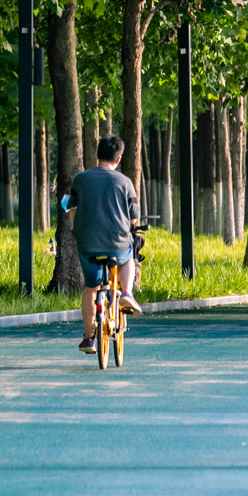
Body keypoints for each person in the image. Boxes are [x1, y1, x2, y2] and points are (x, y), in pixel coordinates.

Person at [61, 134, 143, 354]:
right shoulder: (125, 182)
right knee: (128, 255)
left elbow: (70, 205)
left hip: (87, 243)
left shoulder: (81, 179)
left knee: (91, 288)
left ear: (97, 154)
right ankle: (126, 293)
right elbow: (134, 218)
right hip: (118, 241)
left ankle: (89, 339)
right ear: (118, 160)